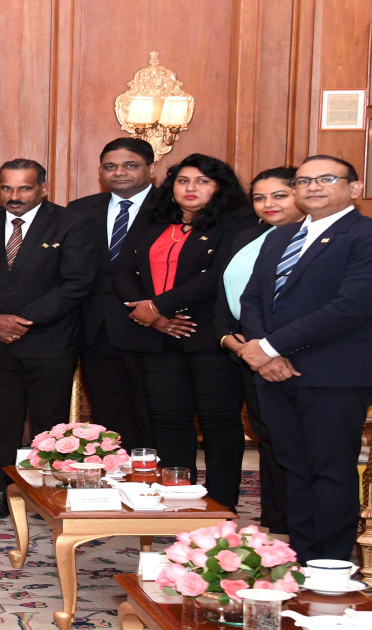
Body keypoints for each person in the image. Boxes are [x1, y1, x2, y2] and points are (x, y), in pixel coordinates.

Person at [237, 155, 372, 562]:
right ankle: (301, 559)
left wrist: (270, 348)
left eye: (326, 179)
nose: (313, 187)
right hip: (274, 374)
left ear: (355, 188)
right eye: (303, 181)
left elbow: (350, 308)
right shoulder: (279, 237)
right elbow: (253, 298)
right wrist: (265, 355)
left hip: (335, 375)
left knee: (329, 470)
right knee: (293, 468)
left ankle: (330, 565)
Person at [110, 153, 252, 508]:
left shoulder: (236, 223)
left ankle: (221, 505)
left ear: (219, 187)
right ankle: (178, 502)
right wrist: (149, 314)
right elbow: (122, 269)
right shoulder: (153, 219)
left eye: (203, 181)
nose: (191, 188)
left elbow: (218, 275)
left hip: (209, 337)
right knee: (168, 422)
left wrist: (158, 306)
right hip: (158, 337)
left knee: (219, 424)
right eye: (183, 181)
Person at [0, 159, 99, 519]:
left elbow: (76, 283)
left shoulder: (72, 224)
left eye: (24, 188)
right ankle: (2, 490)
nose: (15, 196)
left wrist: (22, 321)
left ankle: (47, 491)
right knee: (1, 423)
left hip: (49, 342)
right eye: (7, 188)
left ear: (43, 187)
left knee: (49, 424)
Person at [214, 167, 303, 534]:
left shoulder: (314, 239)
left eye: (279, 195)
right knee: (269, 439)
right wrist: (229, 338)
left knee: (297, 444)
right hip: (248, 353)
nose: (268, 204)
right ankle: (276, 523)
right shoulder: (248, 236)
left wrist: (270, 349)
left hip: (292, 355)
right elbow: (228, 294)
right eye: (259, 198)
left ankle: (302, 528)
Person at [67, 138, 157, 450]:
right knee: (108, 414)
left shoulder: (171, 208)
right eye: (110, 166)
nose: (119, 172)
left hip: (154, 327)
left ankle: (151, 474)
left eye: (130, 165)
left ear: (151, 169)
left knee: (155, 413)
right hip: (96, 328)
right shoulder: (80, 210)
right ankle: (114, 471)